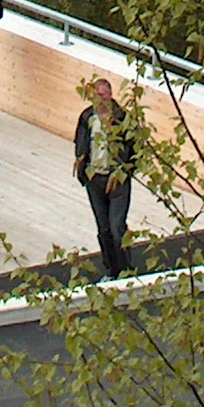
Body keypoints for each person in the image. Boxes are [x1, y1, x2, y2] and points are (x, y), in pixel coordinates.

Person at [73, 78, 136, 278]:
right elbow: (80, 142)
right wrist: (83, 169)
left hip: (117, 179)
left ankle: (126, 268)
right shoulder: (86, 117)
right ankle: (111, 269)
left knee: (117, 226)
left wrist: (124, 173)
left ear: (110, 95)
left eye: (103, 95)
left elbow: (134, 148)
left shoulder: (122, 118)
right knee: (104, 229)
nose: (100, 100)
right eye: (96, 96)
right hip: (95, 179)